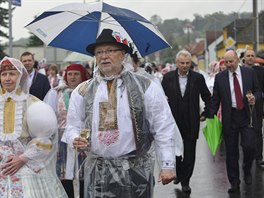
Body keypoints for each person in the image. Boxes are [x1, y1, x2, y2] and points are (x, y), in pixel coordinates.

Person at [64, 28, 183, 198]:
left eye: (110, 51)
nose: (104, 56)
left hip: (136, 169)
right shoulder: (82, 91)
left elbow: (162, 125)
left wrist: (167, 163)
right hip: (97, 170)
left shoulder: (145, 86)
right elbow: (73, 125)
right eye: (99, 52)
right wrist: (75, 138)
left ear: (123, 54)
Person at [0, 56, 67, 197]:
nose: (7, 78)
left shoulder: (33, 103)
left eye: (12, 74)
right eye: (3, 74)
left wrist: (23, 158)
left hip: (25, 164)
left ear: (21, 77)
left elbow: (45, 140)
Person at [209, 50, 261, 193]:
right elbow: (215, 99)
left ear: (238, 59)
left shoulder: (249, 73)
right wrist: (209, 115)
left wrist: (254, 98)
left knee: (250, 146)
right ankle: (234, 182)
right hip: (230, 116)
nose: (229, 64)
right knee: (231, 152)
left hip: (246, 115)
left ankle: (247, 169)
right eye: (226, 62)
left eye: (231, 61)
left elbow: (257, 91)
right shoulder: (220, 78)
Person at [161, 50, 211, 194]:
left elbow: (207, 96)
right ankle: (179, 172)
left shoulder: (198, 78)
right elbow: (160, 98)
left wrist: (206, 112)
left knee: (189, 154)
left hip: (191, 121)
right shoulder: (167, 78)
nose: (184, 66)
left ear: (191, 63)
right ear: (176, 63)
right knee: (176, 153)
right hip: (173, 122)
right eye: (182, 63)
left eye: (187, 63)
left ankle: (185, 181)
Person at [44, 63, 87, 198]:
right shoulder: (56, 93)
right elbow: (48, 115)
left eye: (76, 74)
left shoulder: (89, 91)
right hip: (62, 139)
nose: (72, 77)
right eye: (70, 74)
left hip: (83, 138)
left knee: (84, 176)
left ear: (82, 76)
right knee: (64, 176)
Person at [243, 49, 264, 168]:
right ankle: (248, 157)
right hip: (243, 108)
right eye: (248, 56)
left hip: (258, 106)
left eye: (252, 56)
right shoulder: (240, 71)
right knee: (246, 133)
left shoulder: (261, 71)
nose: (250, 58)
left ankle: (259, 157)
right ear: (244, 58)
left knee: (258, 132)